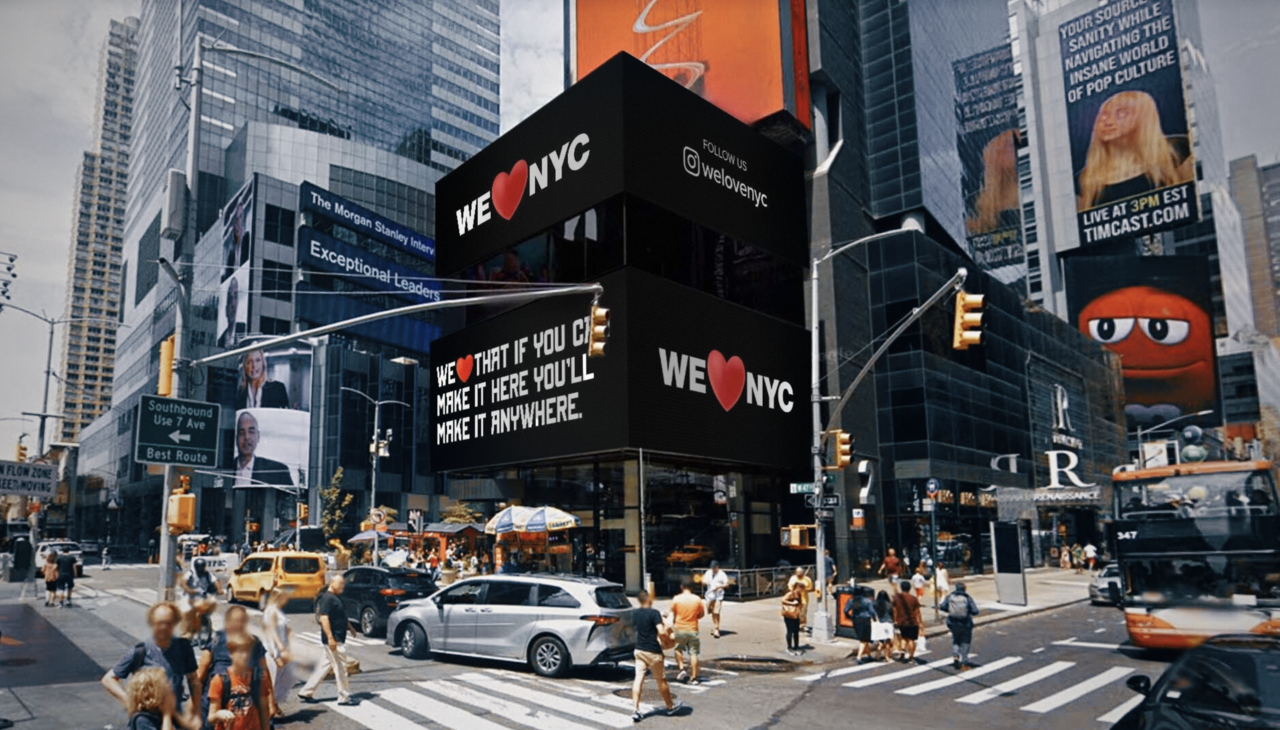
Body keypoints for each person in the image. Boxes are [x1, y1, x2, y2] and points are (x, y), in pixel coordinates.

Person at [1076, 90, 1194, 211]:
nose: (1108, 122)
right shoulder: (1084, 179)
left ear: (1144, 117)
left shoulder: (1178, 149)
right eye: (1104, 115)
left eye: (1122, 113)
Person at [103, 601, 201, 730]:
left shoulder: (183, 648)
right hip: (146, 721)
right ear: (152, 623)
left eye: (168, 622)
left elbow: (193, 681)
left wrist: (194, 711)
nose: (164, 627)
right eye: (160, 622)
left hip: (173, 719)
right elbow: (108, 679)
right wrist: (130, 702)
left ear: (175, 623)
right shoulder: (140, 651)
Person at [196, 605, 274, 722]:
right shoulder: (216, 639)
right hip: (217, 696)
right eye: (236, 621)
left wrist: (271, 701)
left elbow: (264, 672)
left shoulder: (254, 641)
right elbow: (201, 672)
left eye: (242, 621)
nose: (239, 624)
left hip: (247, 698)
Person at [297, 575, 357, 706]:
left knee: (324, 666)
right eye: (340, 584)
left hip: (336, 638)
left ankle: (306, 691)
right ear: (332, 583)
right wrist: (331, 638)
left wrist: (350, 627)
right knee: (340, 668)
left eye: (343, 584)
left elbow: (340, 615)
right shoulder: (327, 599)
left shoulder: (335, 598)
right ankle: (344, 696)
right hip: (334, 639)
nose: (342, 587)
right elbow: (324, 619)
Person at [630, 591, 682, 722]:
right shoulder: (654, 613)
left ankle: (635, 710)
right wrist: (667, 641)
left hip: (639, 650)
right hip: (653, 651)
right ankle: (670, 707)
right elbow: (661, 631)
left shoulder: (635, 613)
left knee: (638, 679)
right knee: (661, 680)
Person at [206, 635, 272, 730]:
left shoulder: (258, 678)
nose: (245, 656)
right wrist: (219, 714)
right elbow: (211, 718)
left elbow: (264, 711)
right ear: (231, 654)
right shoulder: (220, 680)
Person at [234, 412, 293, 488]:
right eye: (242, 432)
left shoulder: (277, 471)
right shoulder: (226, 469)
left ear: (258, 436)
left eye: (251, 432)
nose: (247, 437)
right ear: (236, 438)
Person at [262, 589, 295, 712]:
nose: (287, 600)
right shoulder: (271, 611)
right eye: (285, 597)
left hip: (281, 648)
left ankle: (274, 704)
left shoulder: (276, 610)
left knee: (283, 678)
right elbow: (271, 631)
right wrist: (278, 651)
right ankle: (269, 709)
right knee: (274, 680)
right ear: (278, 597)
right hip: (274, 650)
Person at [670, 581, 705, 684]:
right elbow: (701, 614)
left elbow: (673, 613)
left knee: (678, 649)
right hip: (693, 628)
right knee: (693, 653)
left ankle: (682, 668)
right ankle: (694, 677)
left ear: (682, 587)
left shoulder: (676, 599)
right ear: (692, 588)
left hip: (679, 628)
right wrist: (694, 617)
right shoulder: (697, 599)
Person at [178, 558, 220, 642]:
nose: (200, 570)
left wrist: (219, 590)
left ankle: (210, 629)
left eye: (202, 568)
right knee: (187, 611)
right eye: (199, 568)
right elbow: (184, 583)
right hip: (189, 596)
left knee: (211, 606)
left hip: (203, 596)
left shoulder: (208, 574)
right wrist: (189, 590)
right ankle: (186, 634)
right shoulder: (190, 573)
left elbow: (216, 582)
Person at [940, 582, 980, 670]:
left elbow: (942, 606)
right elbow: (975, 611)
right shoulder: (967, 598)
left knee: (956, 639)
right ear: (964, 589)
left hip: (952, 623)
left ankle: (955, 655)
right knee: (965, 642)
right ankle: (964, 662)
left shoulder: (950, 596)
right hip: (965, 623)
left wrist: (950, 609)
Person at [844, 586, 878, 663]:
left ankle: (869, 655)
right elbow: (872, 612)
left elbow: (846, 610)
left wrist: (849, 617)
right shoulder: (867, 600)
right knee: (864, 639)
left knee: (864, 638)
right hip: (865, 620)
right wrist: (875, 619)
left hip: (856, 620)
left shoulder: (851, 600)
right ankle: (859, 657)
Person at [893, 580, 923, 664]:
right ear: (910, 588)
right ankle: (911, 657)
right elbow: (917, 612)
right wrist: (920, 623)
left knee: (903, 637)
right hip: (912, 622)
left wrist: (895, 620)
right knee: (911, 640)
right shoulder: (913, 599)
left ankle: (902, 650)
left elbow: (894, 610)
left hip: (901, 622)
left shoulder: (896, 598)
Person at [702, 561, 730, 639]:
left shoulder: (722, 574)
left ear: (717, 567)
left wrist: (720, 586)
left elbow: (727, 584)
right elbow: (703, 582)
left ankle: (716, 628)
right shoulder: (708, 573)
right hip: (709, 596)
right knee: (712, 612)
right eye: (712, 568)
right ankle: (715, 626)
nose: (713, 569)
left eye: (714, 568)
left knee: (716, 612)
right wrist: (704, 582)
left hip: (718, 596)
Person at [786, 567, 815, 634]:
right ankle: (795, 625)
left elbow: (811, 588)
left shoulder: (807, 579)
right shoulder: (793, 578)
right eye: (798, 573)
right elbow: (790, 587)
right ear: (795, 573)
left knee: (803, 613)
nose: (799, 574)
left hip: (804, 599)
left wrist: (804, 589)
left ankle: (802, 625)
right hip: (794, 599)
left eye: (801, 573)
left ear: (803, 573)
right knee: (795, 612)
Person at [781, 584, 804, 656]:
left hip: (796, 615)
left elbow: (800, 604)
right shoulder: (790, 593)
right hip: (789, 615)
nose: (801, 591)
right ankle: (789, 647)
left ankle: (796, 646)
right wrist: (792, 603)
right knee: (789, 631)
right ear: (796, 588)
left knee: (796, 631)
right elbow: (783, 600)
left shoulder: (799, 595)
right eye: (800, 589)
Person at [874, 589, 895, 661]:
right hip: (888, 624)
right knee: (888, 641)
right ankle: (887, 657)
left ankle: (877, 655)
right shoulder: (889, 605)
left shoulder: (876, 604)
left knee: (880, 640)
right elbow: (892, 614)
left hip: (880, 624)